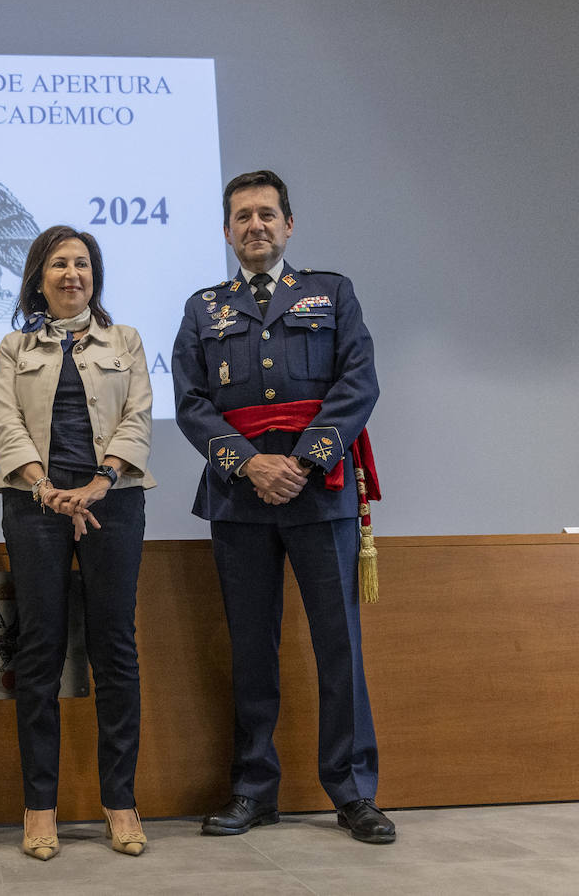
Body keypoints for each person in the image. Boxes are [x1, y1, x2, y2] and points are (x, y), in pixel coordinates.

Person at [171, 170, 394, 844]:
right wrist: (251, 463)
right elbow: (190, 402)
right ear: (227, 231)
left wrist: (301, 462)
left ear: (289, 224)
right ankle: (253, 788)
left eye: (266, 214)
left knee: (339, 646)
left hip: (319, 491)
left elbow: (358, 382)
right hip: (241, 499)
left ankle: (353, 792)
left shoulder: (331, 293)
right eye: (242, 217)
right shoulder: (202, 307)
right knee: (251, 649)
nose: (255, 226)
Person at [0, 225, 156, 859]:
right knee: (39, 650)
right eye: (58, 264)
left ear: (95, 275)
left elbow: (137, 417)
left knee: (115, 647)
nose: (72, 274)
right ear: (39, 277)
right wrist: (45, 489)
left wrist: (96, 483)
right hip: (34, 508)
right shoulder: (13, 346)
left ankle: (121, 801)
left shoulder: (127, 341)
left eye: (82, 264)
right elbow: (7, 423)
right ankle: (39, 808)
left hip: (112, 502)